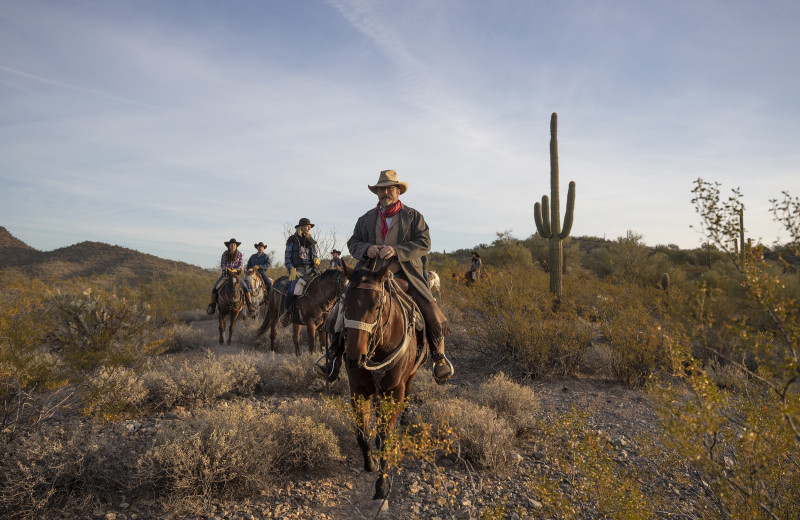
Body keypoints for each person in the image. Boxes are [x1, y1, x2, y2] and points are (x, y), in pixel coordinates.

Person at [316, 169, 454, 384]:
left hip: (405, 275)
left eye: (390, 188)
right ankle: (332, 357)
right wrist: (367, 248)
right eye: (381, 189)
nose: (385, 192)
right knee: (339, 308)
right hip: (369, 276)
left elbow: (424, 243)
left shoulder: (413, 216)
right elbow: (353, 243)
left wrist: (397, 250)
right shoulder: (366, 219)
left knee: (432, 311)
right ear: (377, 193)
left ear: (398, 191)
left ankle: (439, 358)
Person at [281, 218, 320, 326]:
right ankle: (286, 313)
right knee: (291, 289)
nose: (308, 228)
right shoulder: (292, 239)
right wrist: (291, 269)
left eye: (309, 227)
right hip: (297, 270)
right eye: (307, 226)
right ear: (301, 227)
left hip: (310, 270)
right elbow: (287, 257)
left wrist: (316, 261)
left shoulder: (311, 241)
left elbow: (315, 255)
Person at [207, 238, 256, 315]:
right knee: (215, 288)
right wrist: (227, 269)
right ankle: (213, 306)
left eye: (234, 245)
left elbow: (240, 265)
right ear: (228, 246)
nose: (233, 246)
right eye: (231, 245)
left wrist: (234, 270)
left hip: (236, 277)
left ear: (236, 246)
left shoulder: (239, 254)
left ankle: (250, 305)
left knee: (246, 288)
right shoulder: (224, 254)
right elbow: (222, 264)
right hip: (226, 276)